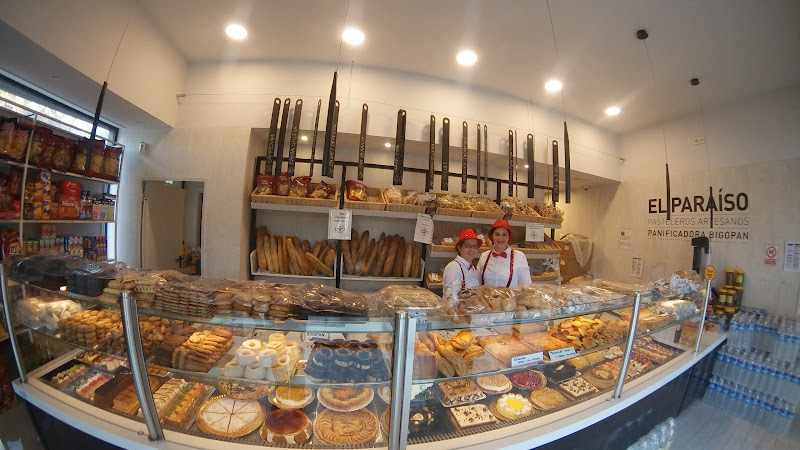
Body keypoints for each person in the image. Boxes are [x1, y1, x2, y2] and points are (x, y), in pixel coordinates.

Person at [477, 219, 532, 288]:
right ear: (492, 237)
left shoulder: (519, 256)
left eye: (504, 235)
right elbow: (477, 282)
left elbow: (525, 285)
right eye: (497, 234)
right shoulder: (484, 256)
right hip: (486, 298)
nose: (500, 238)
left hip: (511, 298)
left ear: (509, 237)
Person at [442, 228, 482, 303]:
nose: (472, 250)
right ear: (459, 248)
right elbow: (451, 299)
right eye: (467, 246)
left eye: (474, 246)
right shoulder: (453, 267)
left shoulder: (473, 268)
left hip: (470, 312)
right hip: (457, 313)